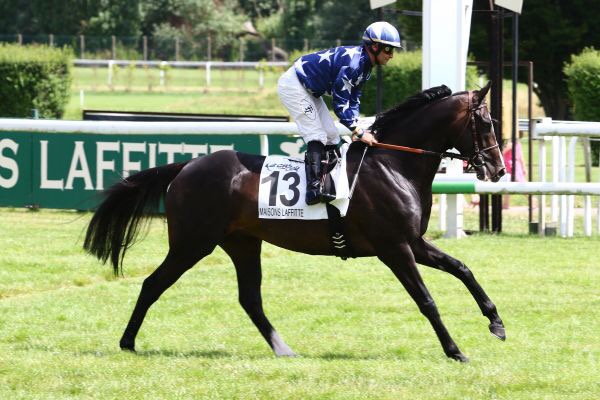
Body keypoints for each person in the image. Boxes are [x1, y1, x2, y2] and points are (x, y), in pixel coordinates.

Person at [277, 21, 402, 205]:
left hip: (309, 89)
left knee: (332, 136)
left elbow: (354, 98)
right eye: (388, 49)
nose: (391, 55)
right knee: (317, 135)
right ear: (374, 47)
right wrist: (358, 132)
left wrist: (356, 126)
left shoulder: (365, 66)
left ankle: (327, 185)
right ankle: (313, 190)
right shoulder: (354, 65)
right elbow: (340, 104)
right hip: (294, 85)